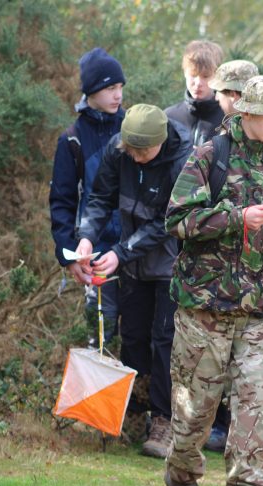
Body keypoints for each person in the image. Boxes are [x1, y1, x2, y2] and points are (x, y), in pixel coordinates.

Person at [164, 75, 263, 486]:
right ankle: (182, 476)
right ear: (246, 114)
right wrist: (235, 218)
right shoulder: (210, 156)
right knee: (196, 412)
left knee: (254, 408)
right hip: (205, 309)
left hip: (258, 309)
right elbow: (176, 222)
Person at [75, 104, 191, 459]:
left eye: (144, 152)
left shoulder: (183, 159)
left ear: (160, 143)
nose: (137, 158)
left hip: (171, 261)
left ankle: (164, 420)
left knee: (164, 340)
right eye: (133, 151)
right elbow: (99, 199)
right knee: (134, 334)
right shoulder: (118, 149)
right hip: (132, 265)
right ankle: (132, 414)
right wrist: (86, 238)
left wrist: (121, 253)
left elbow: (168, 221)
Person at [49, 47, 125, 345]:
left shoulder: (134, 128)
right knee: (101, 340)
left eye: (120, 87)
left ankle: (139, 394)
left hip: (136, 252)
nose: (117, 95)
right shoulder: (73, 138)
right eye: (109, 88)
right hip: (95, 255)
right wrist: (68, 254)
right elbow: (62, 200)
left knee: (139, 340)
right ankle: (101, 394)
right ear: (91, 91)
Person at [165, 40, 225, 148]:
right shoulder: (169, 117)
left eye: (205, 76)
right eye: (193, 75)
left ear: (217, 76)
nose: (198, 83)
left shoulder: (228, 120)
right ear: (184, 73)